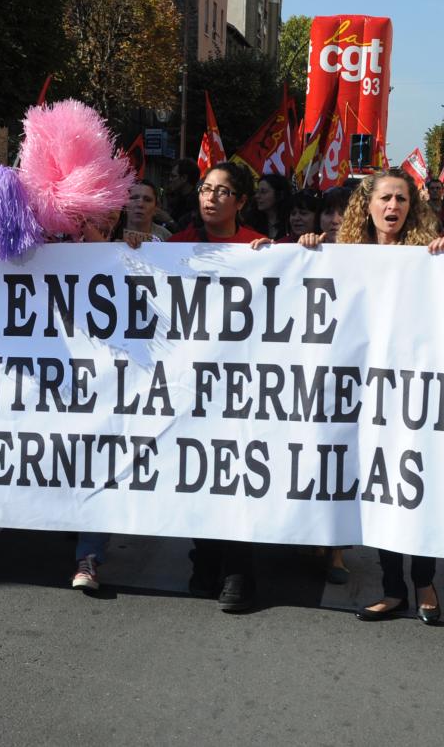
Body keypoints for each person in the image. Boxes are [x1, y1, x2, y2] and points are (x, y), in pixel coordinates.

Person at [318, 168, 444, 624]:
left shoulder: (430, 255)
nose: (393, 206)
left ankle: (425, 581)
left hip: (413, 390)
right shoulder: (347, 254)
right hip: (365, 392)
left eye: (401, 199)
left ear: (412, 206)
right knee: (380, 488)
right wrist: (305, 255)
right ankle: (393, 588)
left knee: (416, 486)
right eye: (385, 198)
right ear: (368, 204)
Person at [169, 161, 265, 612]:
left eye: (222, 192)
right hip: (192, 384)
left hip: (243, 387)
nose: (210, 198)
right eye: (205, 189)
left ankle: (238, 570)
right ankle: (204, 559)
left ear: (241, 202)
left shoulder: (259, 248)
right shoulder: (177, 246)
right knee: (198, 474)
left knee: (238, 476)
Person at [119, 180, 172, 246]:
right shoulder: (112, 233)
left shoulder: (167, 238)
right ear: (125, 205)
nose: (140, 204)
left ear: (156, 207)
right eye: (134, 198)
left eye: (147, 200)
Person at [246, 172, 292, 240]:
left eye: (263, 192)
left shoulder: (291, 221)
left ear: (279, 194)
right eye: (257, 191)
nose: (257, 196)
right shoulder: (251, 222)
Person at [166, 159, 201, 231]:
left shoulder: (196, 203)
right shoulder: (177, 199)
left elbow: (187, 232)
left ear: (184, 178)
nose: (170, 179)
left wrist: (167, 220)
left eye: (173, 176)